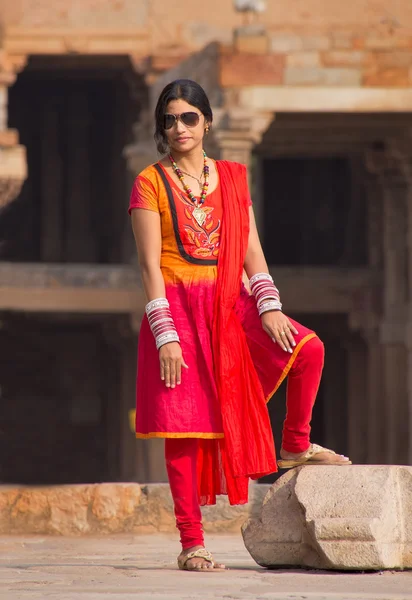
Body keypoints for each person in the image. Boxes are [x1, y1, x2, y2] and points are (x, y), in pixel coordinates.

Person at [128, 79, 351, 572]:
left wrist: (268, 305)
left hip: (230, 301)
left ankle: (294, 443)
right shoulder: (150, 181)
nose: (179, 127)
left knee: (307, 349)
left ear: (207, 121)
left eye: (189, 117)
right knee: (184, 427)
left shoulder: (231, 177)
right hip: (178, 308)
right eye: (169, 119)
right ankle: (192, 544)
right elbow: (148, 267)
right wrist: (165, 335)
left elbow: (250, 248)